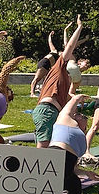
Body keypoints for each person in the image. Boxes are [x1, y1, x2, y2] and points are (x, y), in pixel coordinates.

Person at [7, 92, 90, 194]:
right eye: (80, 115)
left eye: (84, 118)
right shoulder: (65, 122)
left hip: (64, 164)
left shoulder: (79, 135)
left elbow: (72, 166)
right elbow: (67, 110)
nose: (82, 117)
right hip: (55, 160)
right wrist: (76, 99)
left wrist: (88, 173)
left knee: (74, 184)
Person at [34, 16, 84, 148]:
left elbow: (67, 101)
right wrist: (79, 27)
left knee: (50, 147)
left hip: (50, 112)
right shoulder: (58, 68)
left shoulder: (64, 83)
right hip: (47, 111)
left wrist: (76, 99)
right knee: (43, 150)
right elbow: (70, 46)